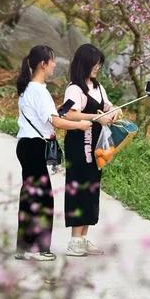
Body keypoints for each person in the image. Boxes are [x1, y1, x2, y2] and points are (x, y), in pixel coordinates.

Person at [15, 45, 92, 261]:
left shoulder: (28, 89)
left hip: (26, 145)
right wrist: (80, 125)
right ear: (43, 64)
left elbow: (46, 117)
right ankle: (39, 249)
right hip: (34, 146)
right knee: (43, 198)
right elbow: (56, 122)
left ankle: (24, 247)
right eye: (52, 61)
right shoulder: (39, 91)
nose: (55, 65)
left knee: (30, 197)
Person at [62, 43, 118, 257]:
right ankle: (74, 240)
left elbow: (107, 106)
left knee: (92, 189)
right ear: (84, 63)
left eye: (99, 65)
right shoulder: (74, 89)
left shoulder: (97, 86)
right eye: (95, 64)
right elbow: (67, 113)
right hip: (79, 147)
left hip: (96, 148)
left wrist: (113, 111)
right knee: (79, 187)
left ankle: (83, 237)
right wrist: (95, 117)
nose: (97, 68)